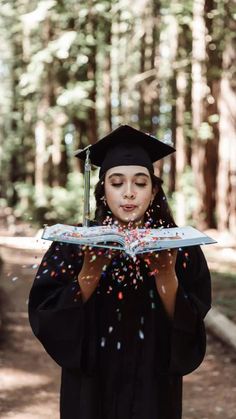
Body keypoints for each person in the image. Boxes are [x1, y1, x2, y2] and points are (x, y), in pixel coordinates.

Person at [28, 125, 211, 419]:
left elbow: (190, 322)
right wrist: (90, 272)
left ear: (153, 192)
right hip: (91, 386)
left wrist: (166, 276)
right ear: (102, 191)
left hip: (153, 386)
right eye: (116, 183)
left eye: (140, 183)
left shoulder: (181, 245)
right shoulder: (74, 244)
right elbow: (48, 315)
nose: (129, 193)